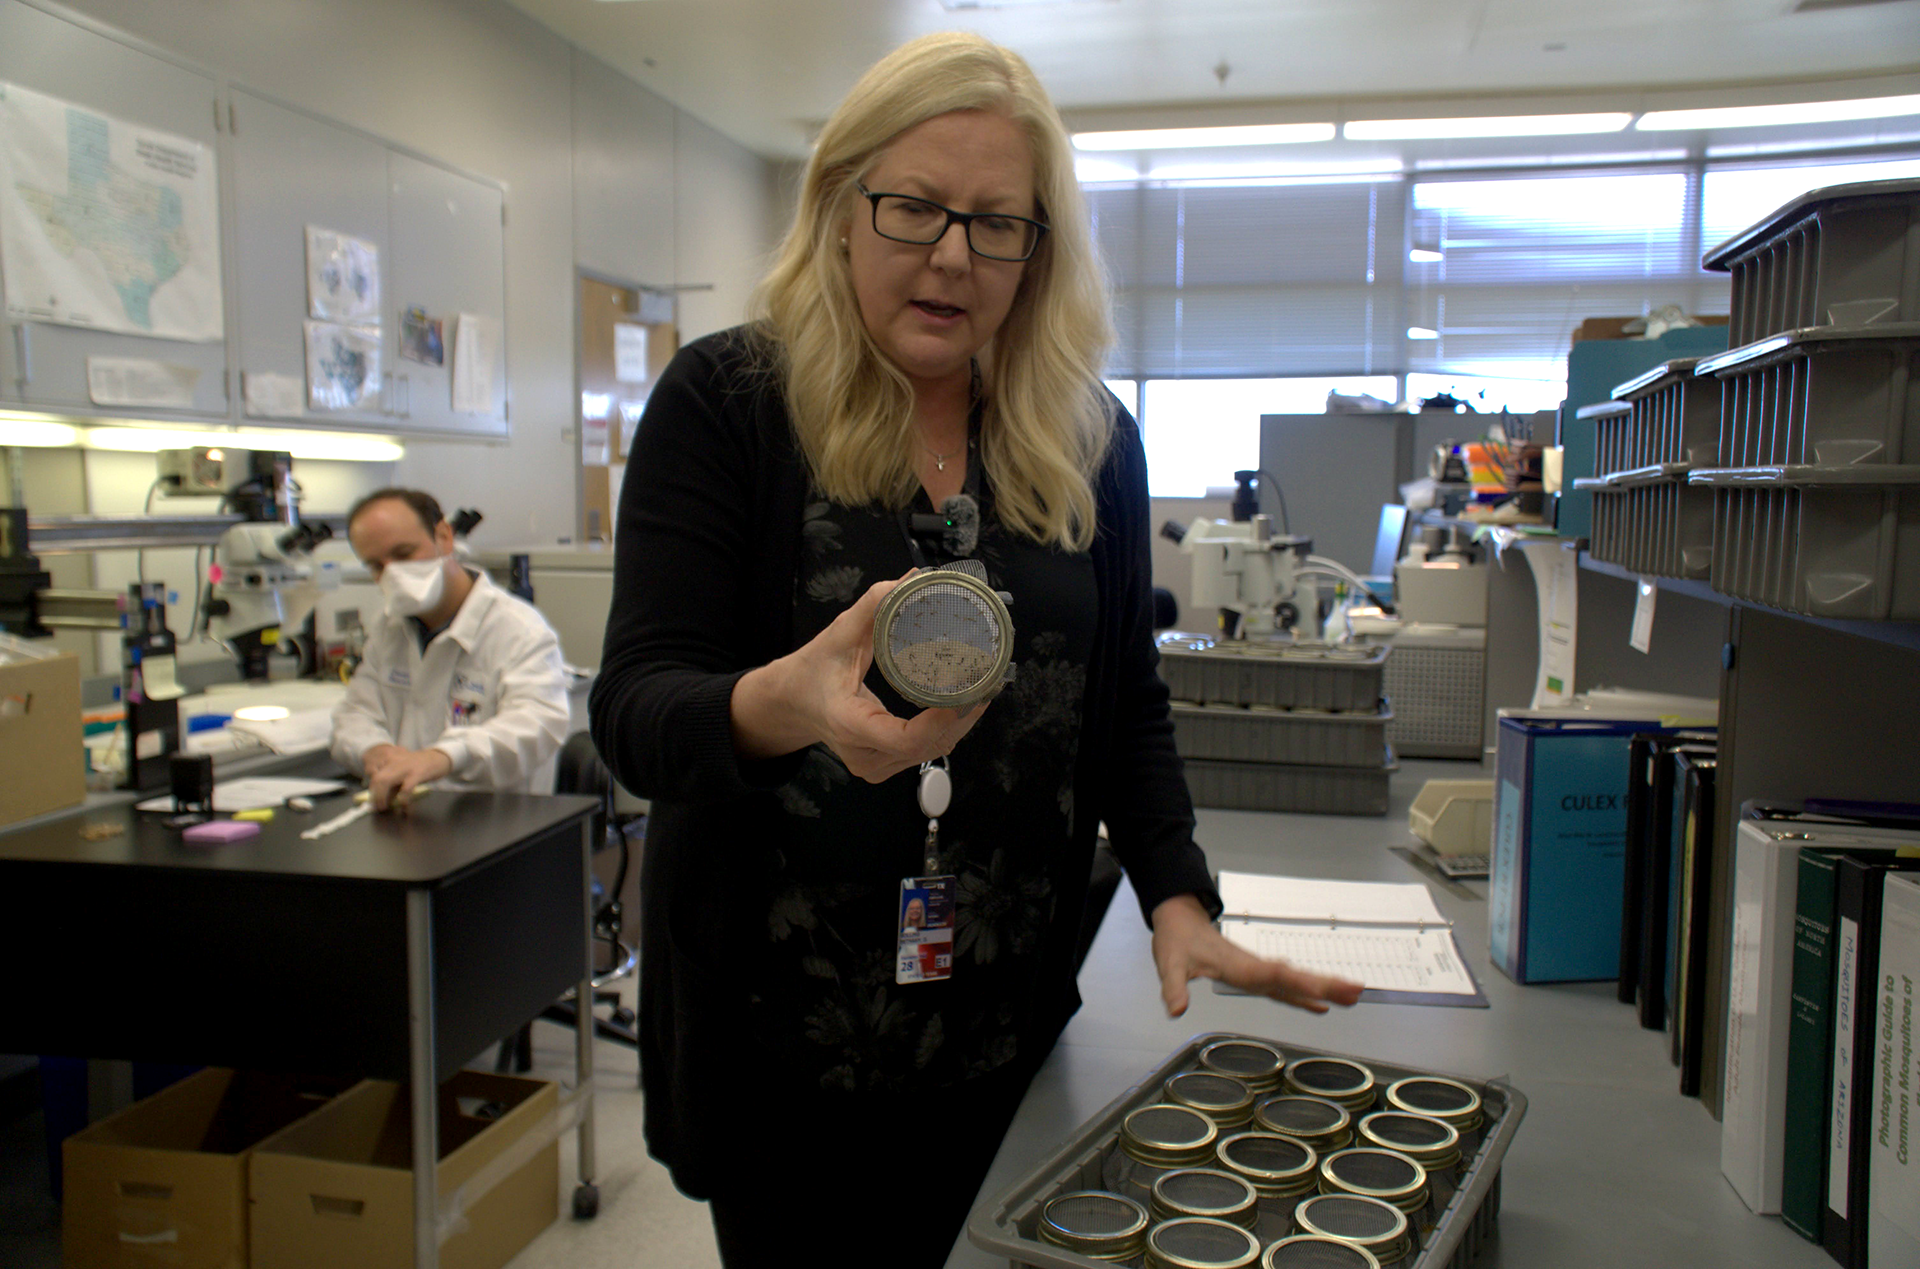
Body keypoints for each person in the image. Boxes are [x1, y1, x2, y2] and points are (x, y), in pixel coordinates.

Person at [588, 31, 1362, 1265]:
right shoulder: (730, 403)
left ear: (1037, 249)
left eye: (998, 223)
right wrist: (781, 701)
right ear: (843, 205)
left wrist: (1175, 890)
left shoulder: (1088, 441)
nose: (953, 254)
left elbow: (1124, 706)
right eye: (915, 209)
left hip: (1007, 1024)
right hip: (781, 1036)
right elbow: (633, 710)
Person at [331, 487, 570, 810]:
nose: (393, 574)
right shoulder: (390, 628)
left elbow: (534, 726)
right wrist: (374, 750)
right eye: (376, 566)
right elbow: (354, 714)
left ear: (444, 536)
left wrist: (445, 756)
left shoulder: (517, 629)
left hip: (496, 825)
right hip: (410, 820)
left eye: (403, 554)